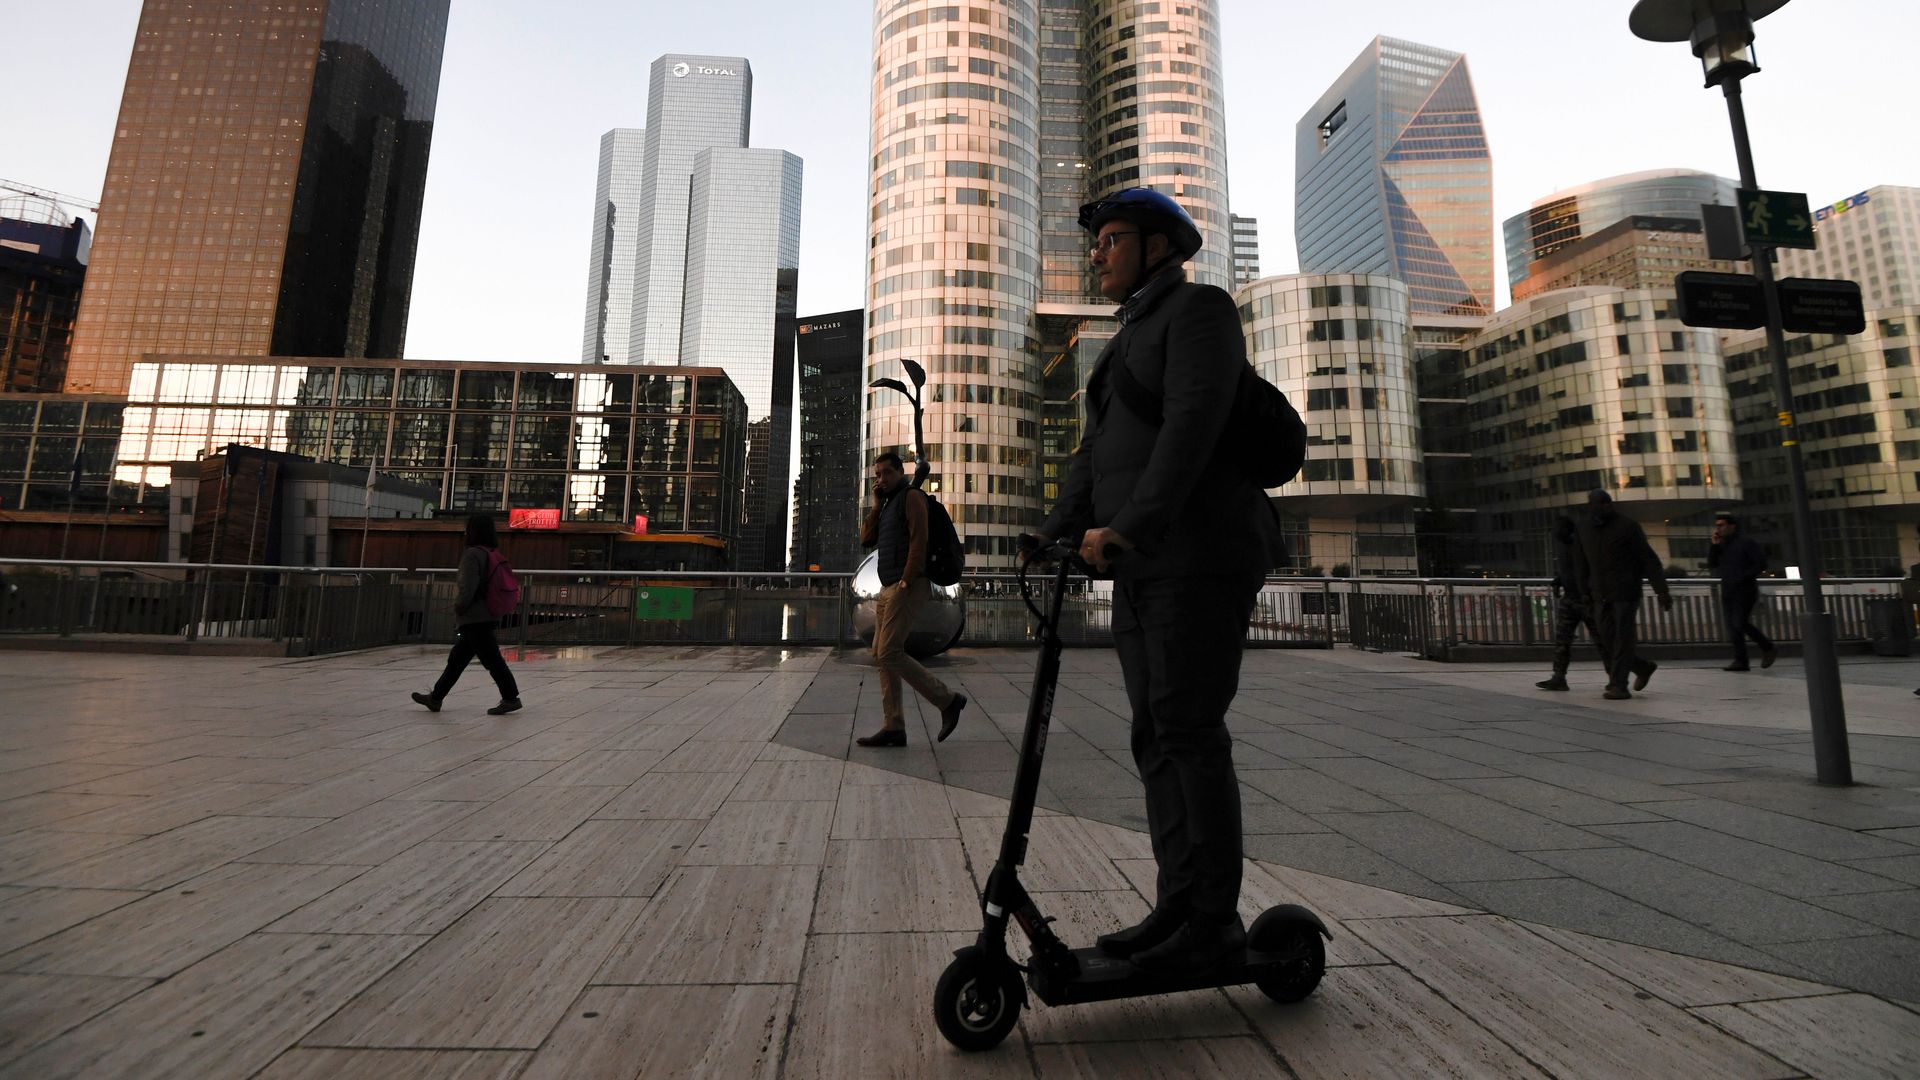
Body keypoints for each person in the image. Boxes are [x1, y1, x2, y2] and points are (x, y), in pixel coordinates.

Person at [1030, 187, 1285, 971]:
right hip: (1142, 568)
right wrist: (1056, 532)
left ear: (1158, 248)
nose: (1097, 252)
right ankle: (1178, 903)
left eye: (1112, 239)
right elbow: (1092, 454)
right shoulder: (1119, 344)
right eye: (1098, 241)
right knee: (1157, 734)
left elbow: (1193, 428)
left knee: (1187, 731)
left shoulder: (1201, 312)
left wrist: (1129, 528)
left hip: (1201, 557)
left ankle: (1210, 920)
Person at [854, 451, 967, 747]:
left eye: (887, 474)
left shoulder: (912, 497)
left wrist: (906, 580)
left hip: (908, 585)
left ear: (899, 472)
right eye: (877, 475)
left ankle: (948, 701)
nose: (881, 479)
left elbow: (920, 539)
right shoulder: (888, 503)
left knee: (889, 651)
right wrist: (877, 505)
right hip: (888, 588)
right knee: (881, 653)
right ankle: (894, 726)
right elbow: (866, 538)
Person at [411, 514, 521, 715]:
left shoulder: (472, 554)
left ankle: (511, 698)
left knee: (492, 660)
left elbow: (467, 587)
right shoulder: (491, 553)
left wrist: (459, 607)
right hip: (487, 613)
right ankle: (436, 698)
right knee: (457, 659)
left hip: (475, 617)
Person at [1574, 489, 1671, 700]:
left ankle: (1618, 684)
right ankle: (1642, 667)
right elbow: (1581, 562)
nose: (1600, 508)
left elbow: (1649, 560)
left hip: (1625, 593)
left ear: (1609, 505)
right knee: (1607, 638)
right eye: (1596, 504)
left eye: (1603, 504)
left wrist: (1661, 590)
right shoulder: (1583, 527)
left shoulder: (1628, 527)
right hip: (1599, 594)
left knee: (1622, 638)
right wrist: (1583, 591)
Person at [1536, 516, 1607, 691]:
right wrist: (1559, 581)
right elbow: (1568, 570)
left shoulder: (1583, 545)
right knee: (1562, 639)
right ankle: (1559, 677)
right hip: (1570, 598)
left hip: (1587, 599)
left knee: (1603, 640)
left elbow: (1591, 569)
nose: (1554, 534)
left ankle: (1619, 675)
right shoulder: (1563, 545)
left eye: (1557, 530)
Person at [1708, 512, 1776, 672]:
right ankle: (1741, 661)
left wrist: (1743, 577)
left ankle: (1767, 647)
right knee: (1733, 626)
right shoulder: (1721, 544)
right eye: (1717, 525)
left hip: (1745, 589)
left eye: (1722, 525)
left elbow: (1761, 563)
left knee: (1740, 622)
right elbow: (1712, 564)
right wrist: (1714, 546)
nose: (1719, 528)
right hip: (1728, 589)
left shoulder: (1746, 542)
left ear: (1732, 526)